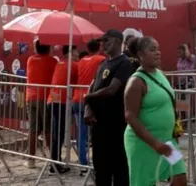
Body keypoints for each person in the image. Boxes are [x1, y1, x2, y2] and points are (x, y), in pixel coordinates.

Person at [124, 37, 188, 186]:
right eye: (152, 50)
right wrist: (156, 144)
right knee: (145, 183)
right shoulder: (136, 82)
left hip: (167, 141)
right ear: (140, 54)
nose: (158, 53)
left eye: (158, 49)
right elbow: (130, 117)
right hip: (143, 143)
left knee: (180, 178)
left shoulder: (160, 74)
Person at [84, 29, 134, 186]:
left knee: (119, 168)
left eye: (107, 40)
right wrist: (88, 107)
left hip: (116, 124)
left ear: (119, 41)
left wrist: (88, 98)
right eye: (102, 41)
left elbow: (112, 89)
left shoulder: (124, 63)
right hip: (99, 124)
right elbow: (92, 85)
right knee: (101, 168)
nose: (103, 44)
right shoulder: (102, 63)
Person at [73, 39, 105, 174]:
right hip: (92, 100)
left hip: (77, 98)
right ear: (99, 47)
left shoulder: (81, 61)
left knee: (81, 134)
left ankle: (83, 164)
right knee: (98, 133)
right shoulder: (101, 59)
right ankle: (99, 162)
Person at [25, 41, 58, 169]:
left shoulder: (30, 60)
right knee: (48, 129)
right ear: (48, 47)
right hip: (45, 97)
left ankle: (31, 160)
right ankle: (53, 160)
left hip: (31, 97)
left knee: (33, 130)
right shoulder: (52, 61)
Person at [47, 45, 78, 174]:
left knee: (57, 133)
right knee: (58, 134)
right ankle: (55, 164)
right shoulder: (73, 65)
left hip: (53, 100)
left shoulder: (59, 64)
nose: (77, 54)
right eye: (76, 52)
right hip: (62, 102)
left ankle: (56, 161)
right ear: (69, 53)